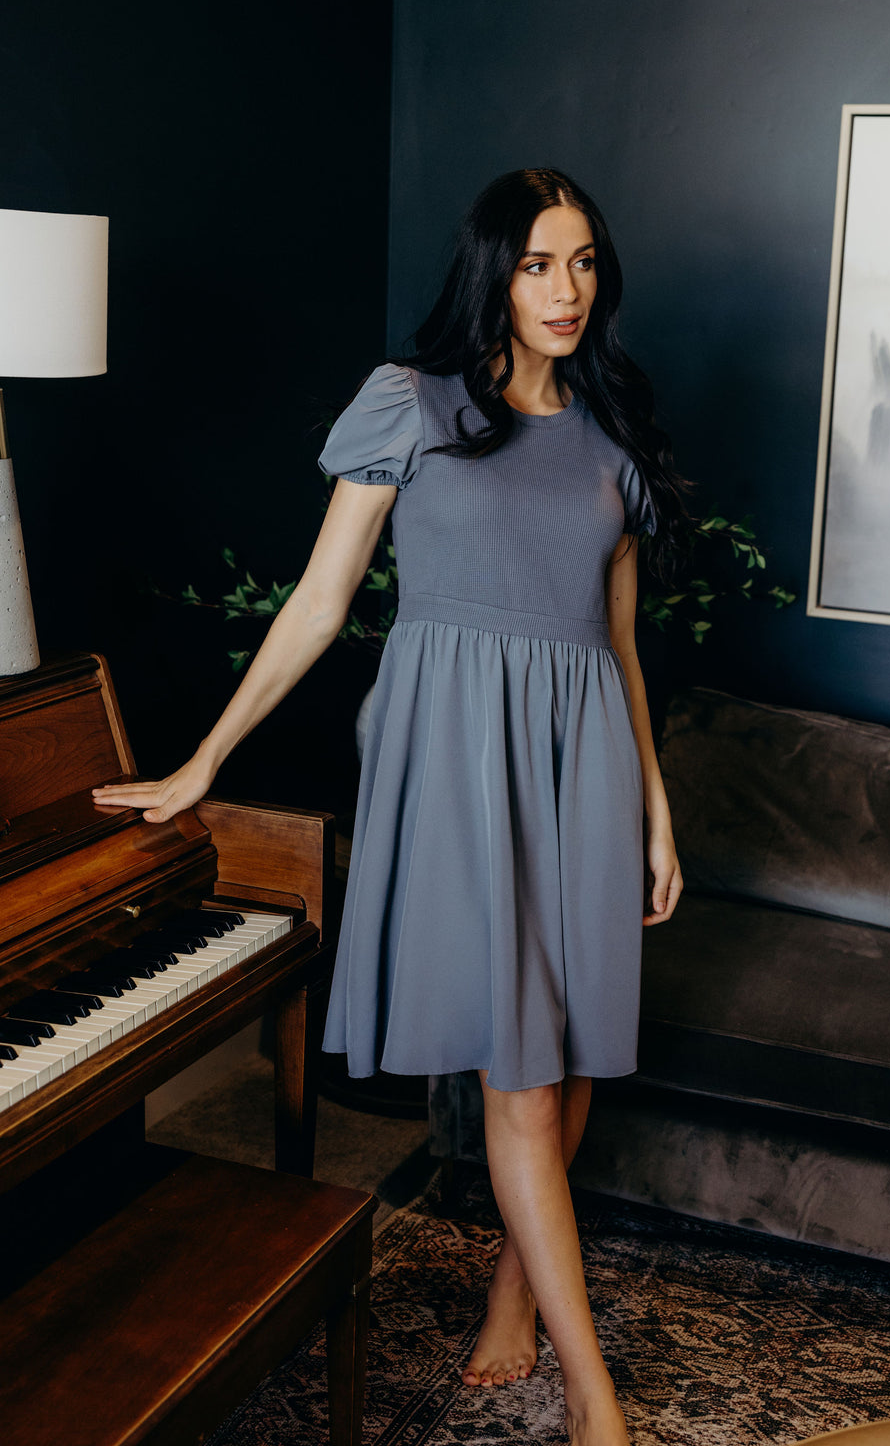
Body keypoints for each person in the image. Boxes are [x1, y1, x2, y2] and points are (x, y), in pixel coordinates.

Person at [93, 166, 687, 1446]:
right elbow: (319, 601)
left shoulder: (613, 430)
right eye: (537, 264)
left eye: (583, 262)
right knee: (518, 1078)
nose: (565, 290)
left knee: (573, 1053)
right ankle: (599, 1405)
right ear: (493, 271)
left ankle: (513, 1295)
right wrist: (205, 761)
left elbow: (619, 644)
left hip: (581, 764)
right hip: (462, 763)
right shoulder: (407, 406)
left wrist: (653, 808)